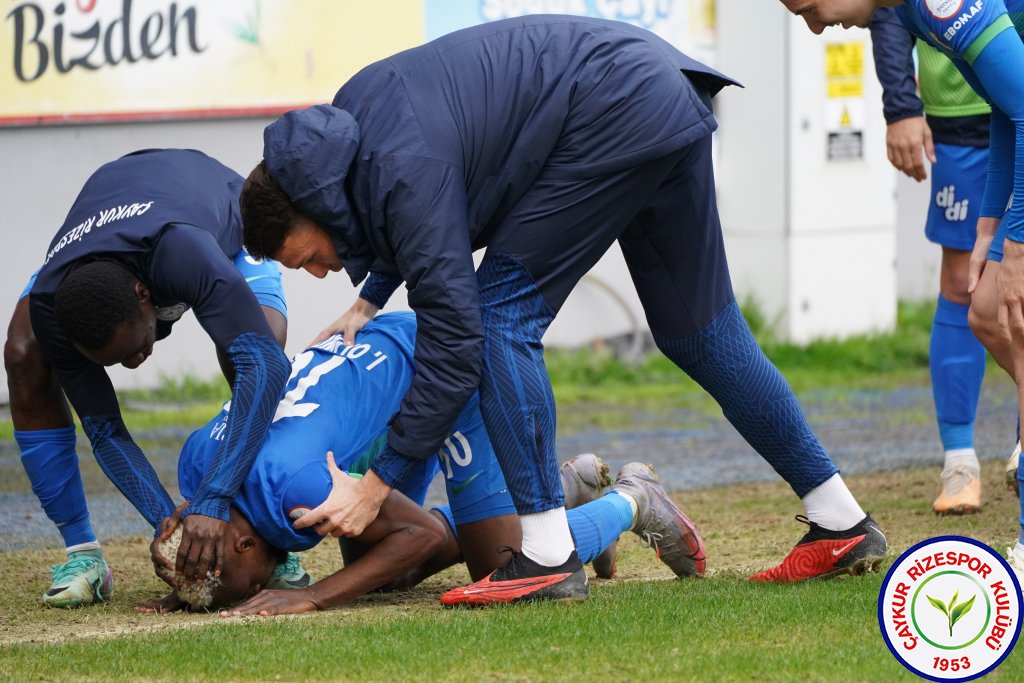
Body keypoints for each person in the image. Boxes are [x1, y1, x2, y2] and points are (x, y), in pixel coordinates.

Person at [239, 15, 886, 600]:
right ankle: (839, 519)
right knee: (699, 332)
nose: (318, 272)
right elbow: (398, 217)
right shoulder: (358, 140)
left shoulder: (404, 166)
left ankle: (548, 555)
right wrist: (370, 296)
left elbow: (457, 337)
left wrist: (376, 483)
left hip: (614, 108)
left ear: (317, 204)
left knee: (497, 320)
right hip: (652, 93)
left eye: (306, 257)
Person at [141, 312, 703, 613]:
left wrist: (314, 595)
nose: (248, 593)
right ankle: (563, 489)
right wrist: (184, 577)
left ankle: (631, 500)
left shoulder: (295, 487)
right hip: (381, 392)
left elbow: (420, 535)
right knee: (384, 573)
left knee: (501, 569)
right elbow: (203, 524)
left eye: (232, 588)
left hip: (441, 371)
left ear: (242, 545)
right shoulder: (199, 469)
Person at [779, 0, 1024, 575]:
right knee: (986, 313)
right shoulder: (908, 11)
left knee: (1015, 311)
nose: (815, 26)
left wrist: (1016, 248)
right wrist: (991, 220)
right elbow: (1006, 105)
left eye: (811, 7)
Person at [5, 149, 292, 608]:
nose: (135, 364)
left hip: (215, 218)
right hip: (90, 246)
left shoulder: (183, 253)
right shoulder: (54, 304)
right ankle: (83, 555)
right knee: (23, 353)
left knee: (257, 352)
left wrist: (214, 498)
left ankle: (269, 537)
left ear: (145, 297)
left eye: (133, 348)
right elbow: (104, 430)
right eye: (115, 362)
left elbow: (269, 367)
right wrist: (171, 526)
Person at [869, 8, 992, 514]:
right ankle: (960, 462)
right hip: (960, 120)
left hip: (1015, 96)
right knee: (964, 281)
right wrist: (901, 105)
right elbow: (887, 9)